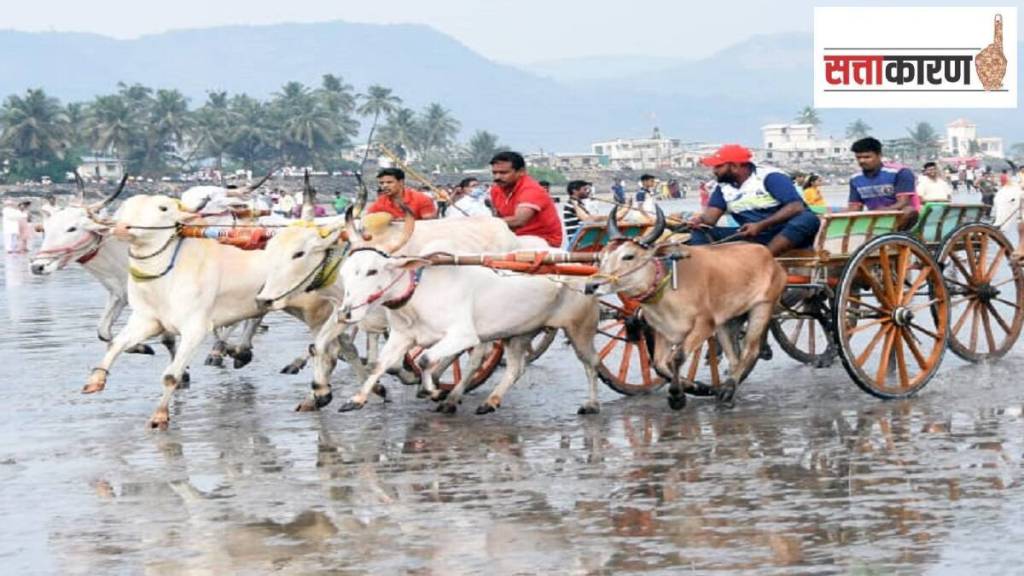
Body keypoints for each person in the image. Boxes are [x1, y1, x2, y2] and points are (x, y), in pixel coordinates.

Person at [688, 144, 820, 256]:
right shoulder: (723, 187)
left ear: (734, 166)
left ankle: (764, 258)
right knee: (701, 231)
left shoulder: (770, 177)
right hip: (754, 234)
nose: (714, 171)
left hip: (786, 232)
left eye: (718, 167)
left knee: (807, 219)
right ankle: (705, 268)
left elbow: (795, 207)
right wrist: (699, 221)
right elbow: (710, 219)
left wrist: (761, 225)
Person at [488, 151, 563, 247]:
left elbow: (518, 221)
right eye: (494, 173)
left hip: (544, 241)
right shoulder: (495, 190)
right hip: (516, 239)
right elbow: (499, 219)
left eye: (503, 173)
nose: (497, 177)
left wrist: (484, 224)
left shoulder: (531, 189)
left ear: (521, 171)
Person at [847, 137, 919, 230]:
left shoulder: (900, 172)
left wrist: (884, 211)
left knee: (909, 210)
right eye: (858, 157)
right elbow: (855, 207)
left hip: (901, 217)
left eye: (867, 157)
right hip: (874, 218)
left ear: (879, 155)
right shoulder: (855, 179)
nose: (862, 161)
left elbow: (903, 202)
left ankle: (889, 236)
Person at [367, 167, 437, 220]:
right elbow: (368, 219)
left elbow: (430, 224)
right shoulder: (380, 202)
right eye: (381, 183)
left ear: (401, 182)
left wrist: (406, 222)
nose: (384, 186)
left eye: (389, 182)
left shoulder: (422, 199)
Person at [562, 180, 601, 244]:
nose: (587, 192)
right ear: (574, 191)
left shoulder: (578, 204)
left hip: (581, 239)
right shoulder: (572, 204)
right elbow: (587, 219)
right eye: (584, 189)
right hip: (577, 242)